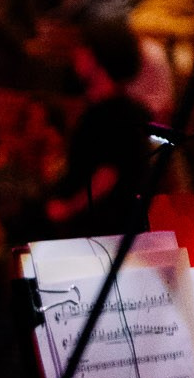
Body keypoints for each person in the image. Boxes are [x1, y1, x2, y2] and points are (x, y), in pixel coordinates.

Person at [42, 23, 153, 237]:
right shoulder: (96, 108)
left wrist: (67, 209)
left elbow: (107, 177)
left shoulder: (120, 113)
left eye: (84, 47)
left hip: (99, 231)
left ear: (101, 57)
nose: (76, 53)